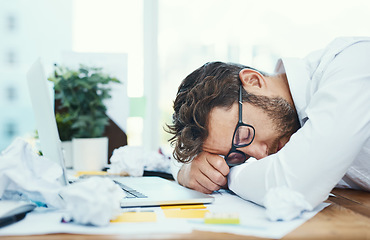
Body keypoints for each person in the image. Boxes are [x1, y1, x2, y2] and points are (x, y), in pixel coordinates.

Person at [167, 37, 370, 219]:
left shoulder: (351, 65)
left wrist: (226, 176)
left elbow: (293, 186)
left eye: (244, 134)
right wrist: (188, 171)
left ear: (253, 81)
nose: (260, 155)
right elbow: (168, 158)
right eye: (236, 156)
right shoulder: (289, 128)